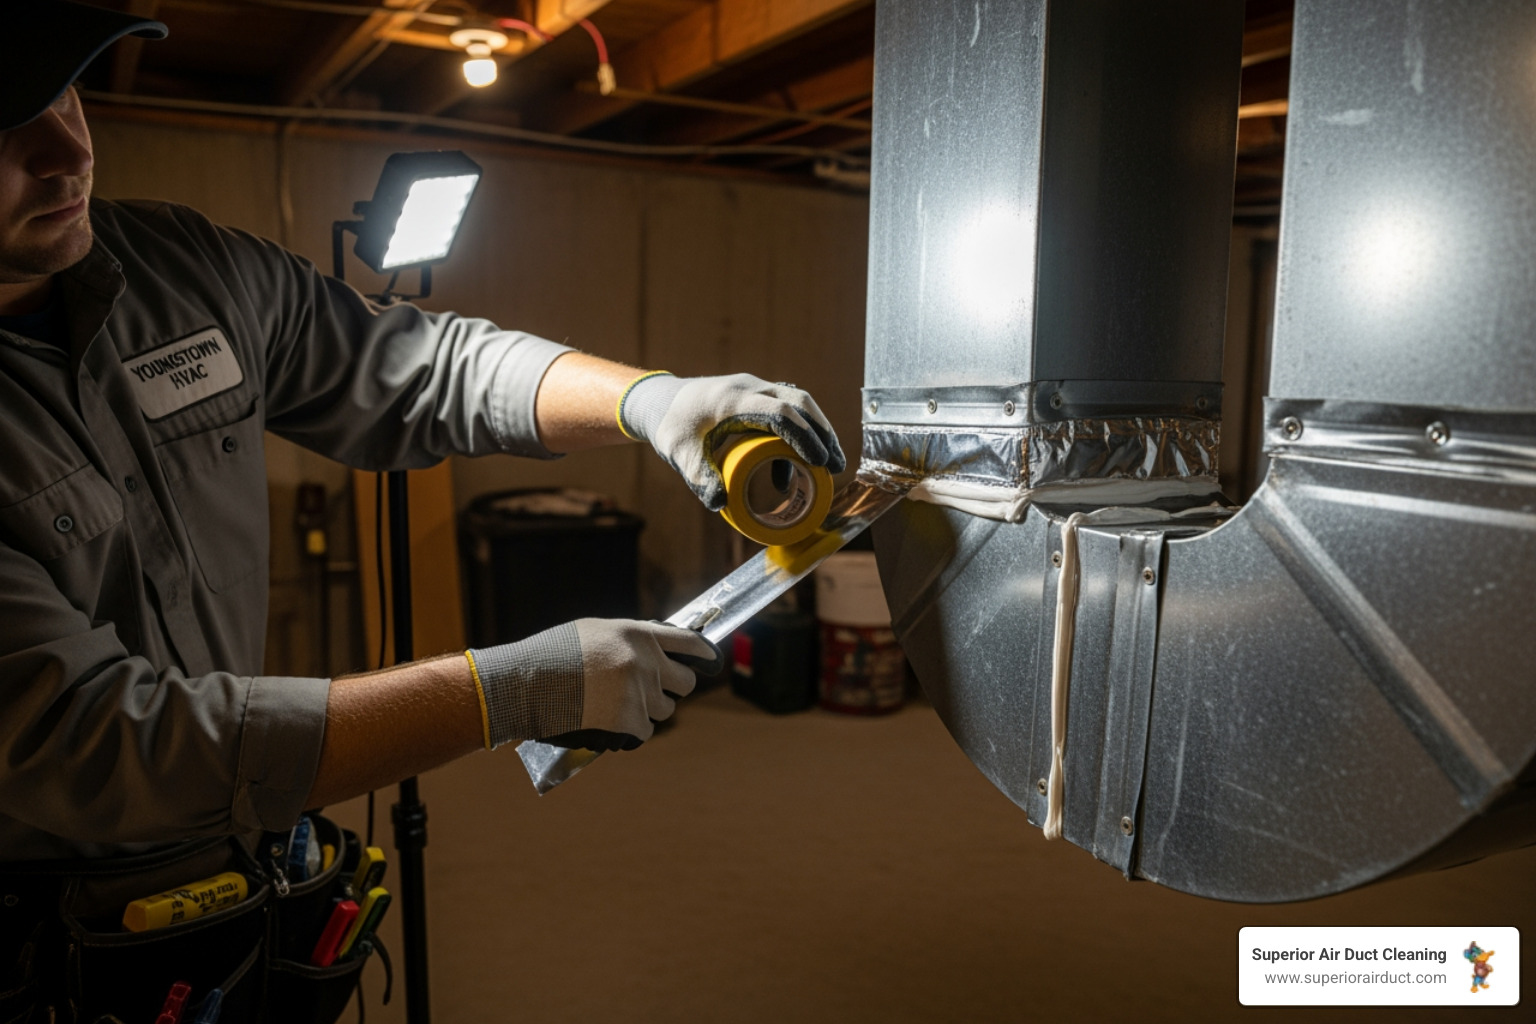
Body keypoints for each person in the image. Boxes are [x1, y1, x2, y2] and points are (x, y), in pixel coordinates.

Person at [0, 1, 844, 1012]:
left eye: (62, 94)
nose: (62, 151)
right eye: (4, 127)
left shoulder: (179, 270)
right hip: (53, 942)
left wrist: (649, 400)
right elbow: (101, 739)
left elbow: (418, 365)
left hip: (246, 881)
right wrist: (504, 690)